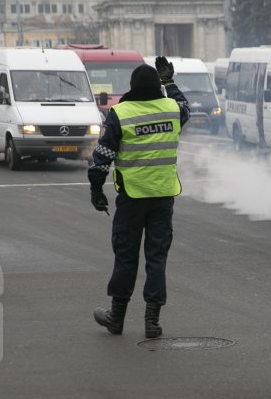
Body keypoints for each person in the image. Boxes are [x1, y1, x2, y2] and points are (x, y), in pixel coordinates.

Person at [89, 57, 190, 338]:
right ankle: (152, 323)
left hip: (132, 198)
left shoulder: (121, 113)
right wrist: (170, 82)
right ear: (157, 86)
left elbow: (104, 156)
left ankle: (117, 318)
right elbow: (185, 107)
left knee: (126, 256)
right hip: (163, 196)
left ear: (132, 87)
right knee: (156, 258)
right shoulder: (171, 109)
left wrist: (96, 189)